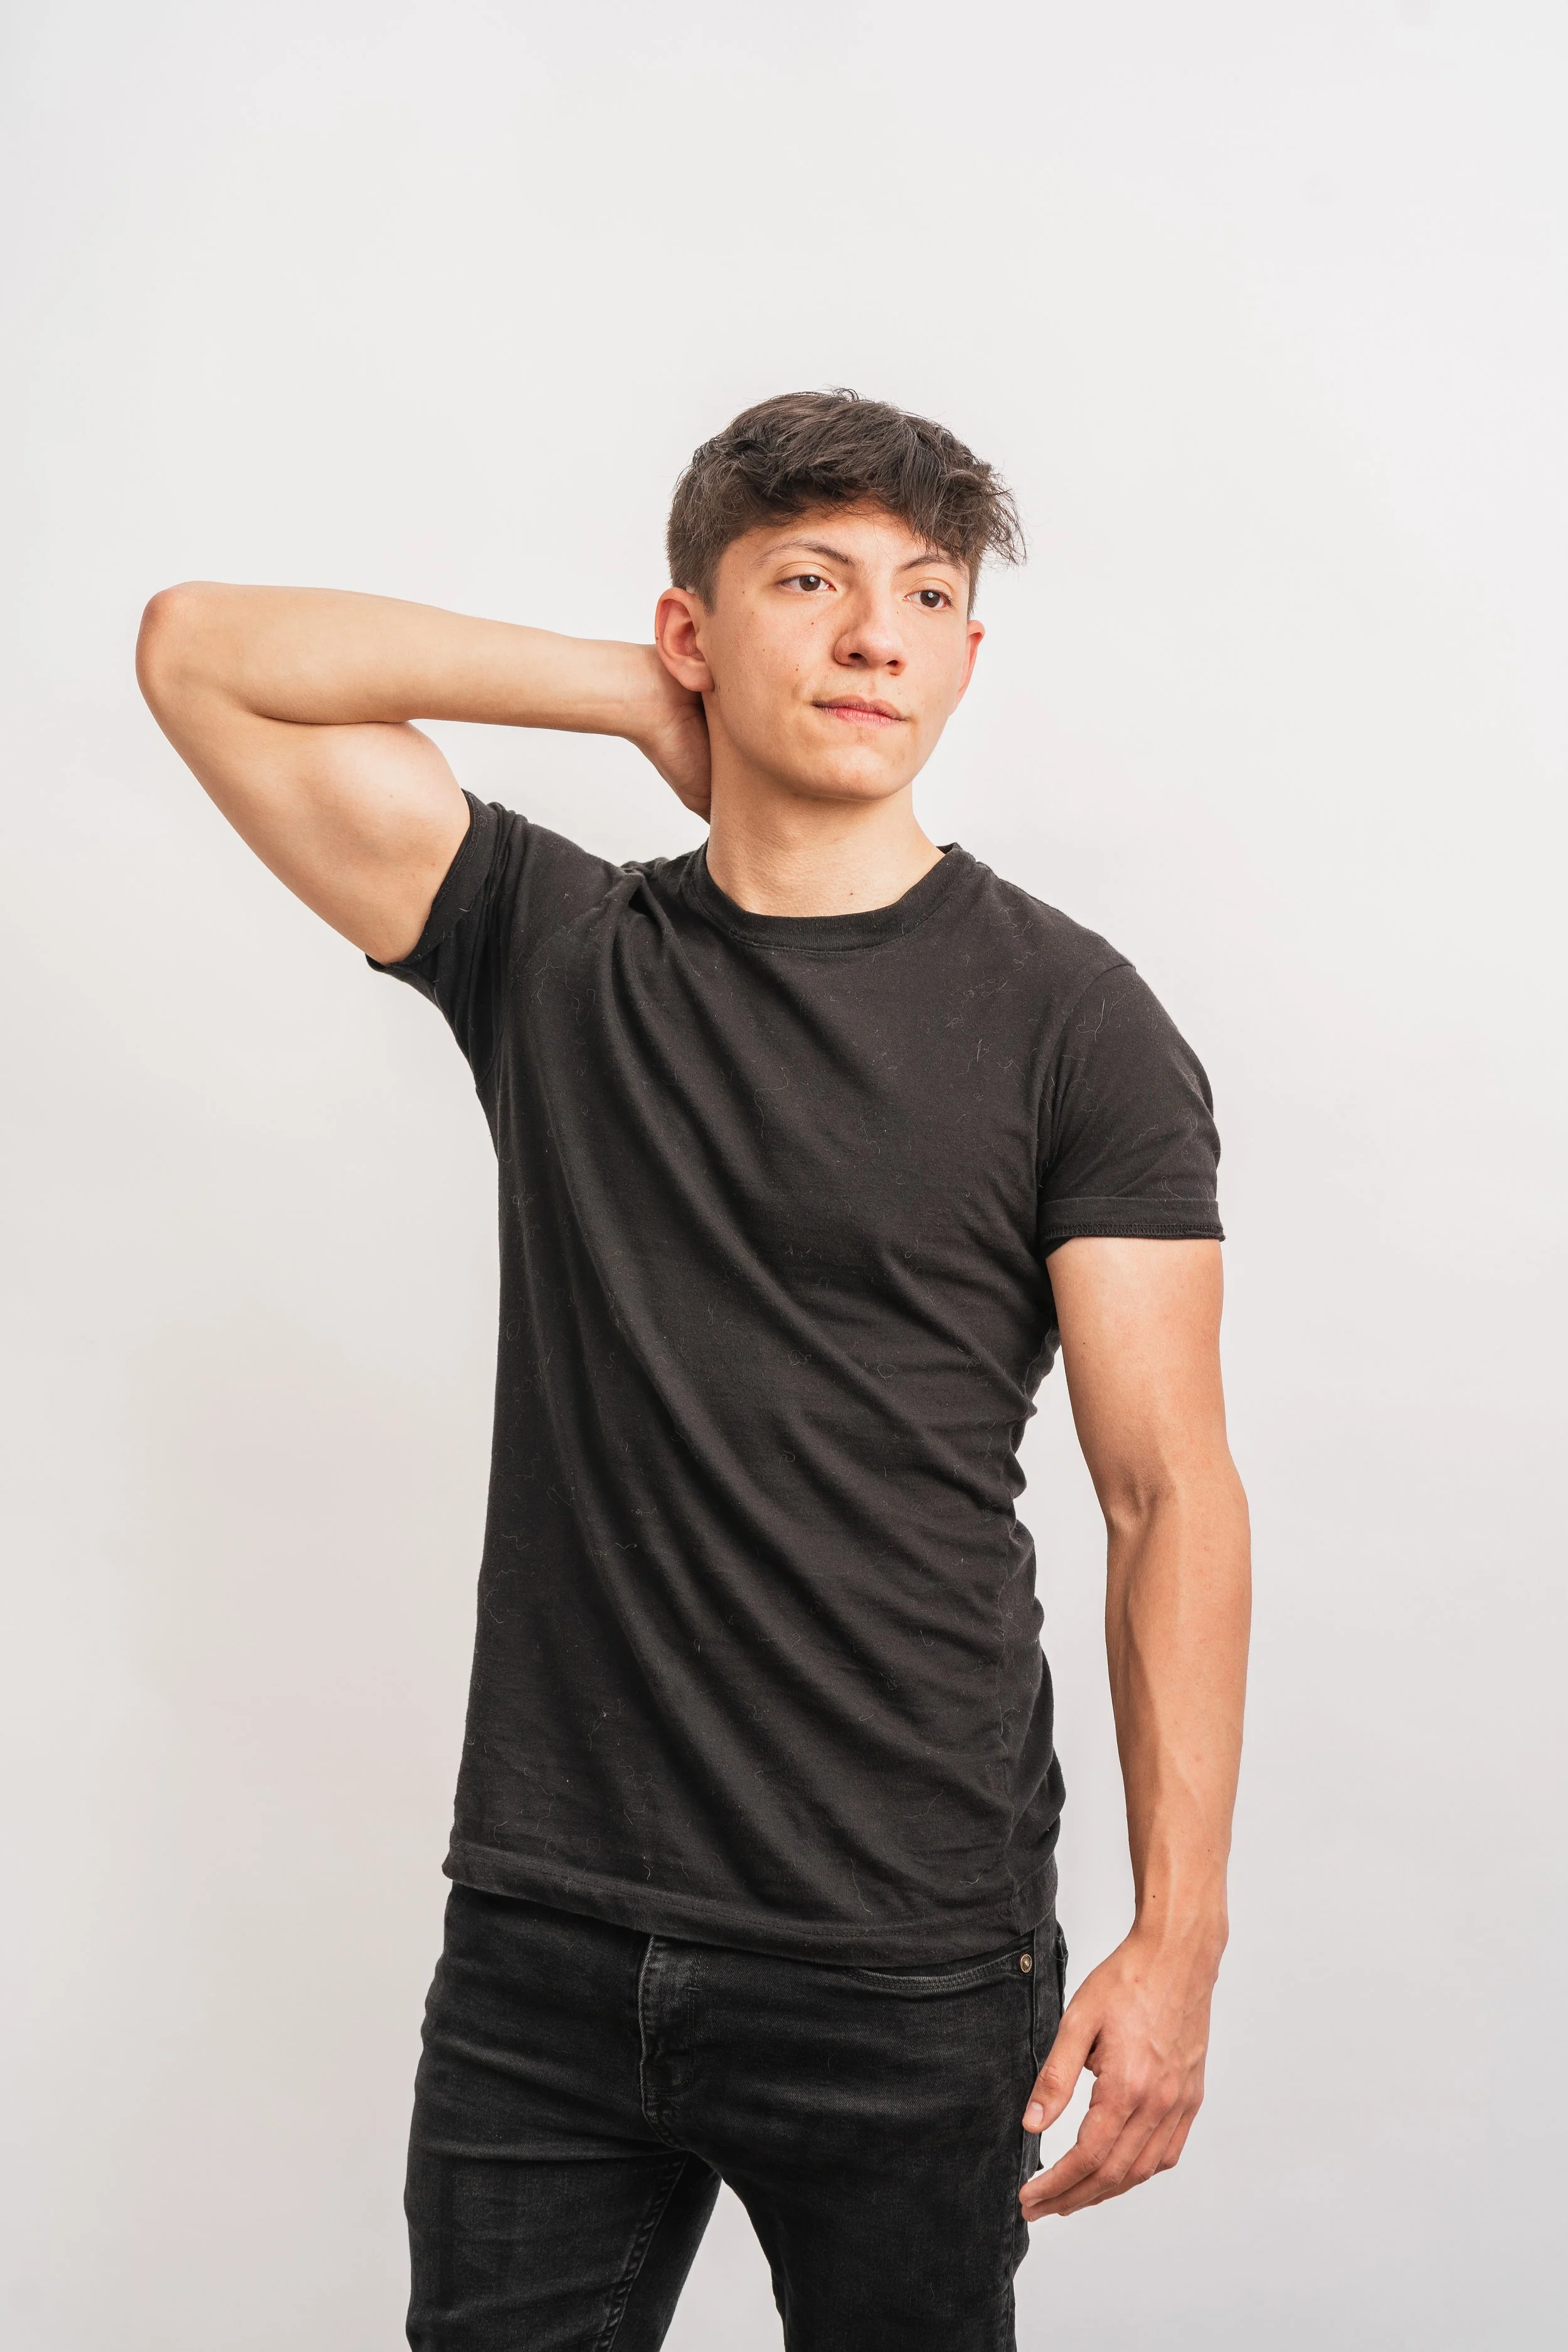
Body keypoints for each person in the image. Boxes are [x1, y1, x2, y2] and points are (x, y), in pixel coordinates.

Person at [136, 389, 1251, 2352]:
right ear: (694, 629)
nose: (875, 636)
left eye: (925, 595)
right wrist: (625, 697)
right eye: (807, 582)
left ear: (967, 654)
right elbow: (198, 652)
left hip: (904, 1958)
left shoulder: (1073, 1021)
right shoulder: (556, 950)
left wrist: (1180, 1937)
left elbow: (1166, 1491)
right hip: (546, 1946)